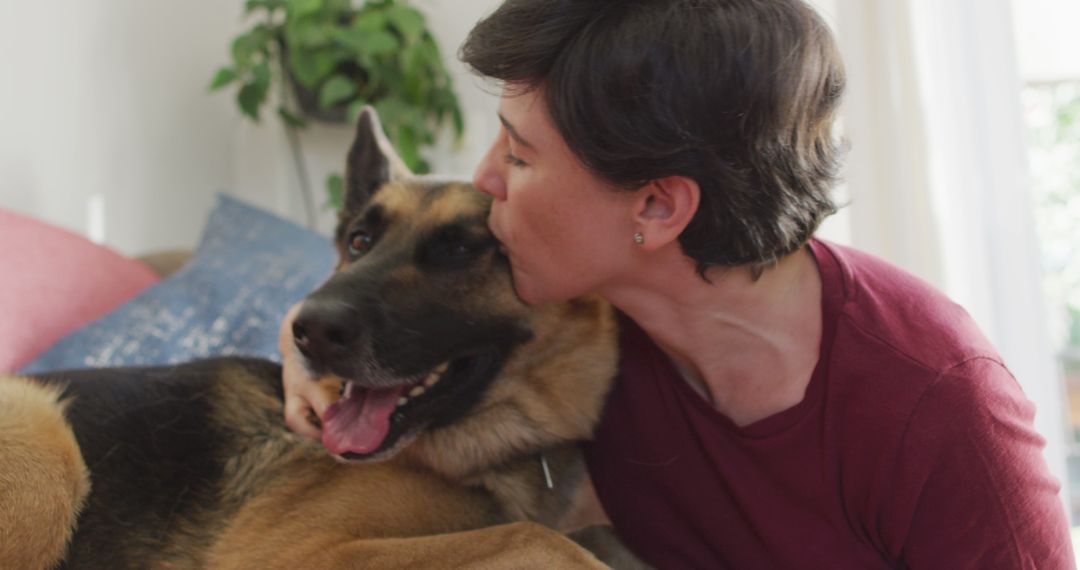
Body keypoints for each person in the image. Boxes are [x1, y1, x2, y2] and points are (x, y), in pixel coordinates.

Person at [281, 0, 1076, 567]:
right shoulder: (587, 322)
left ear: (657, 207)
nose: (485, 181)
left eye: (519, 157)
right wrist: (307, 348)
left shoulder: (936, 404)